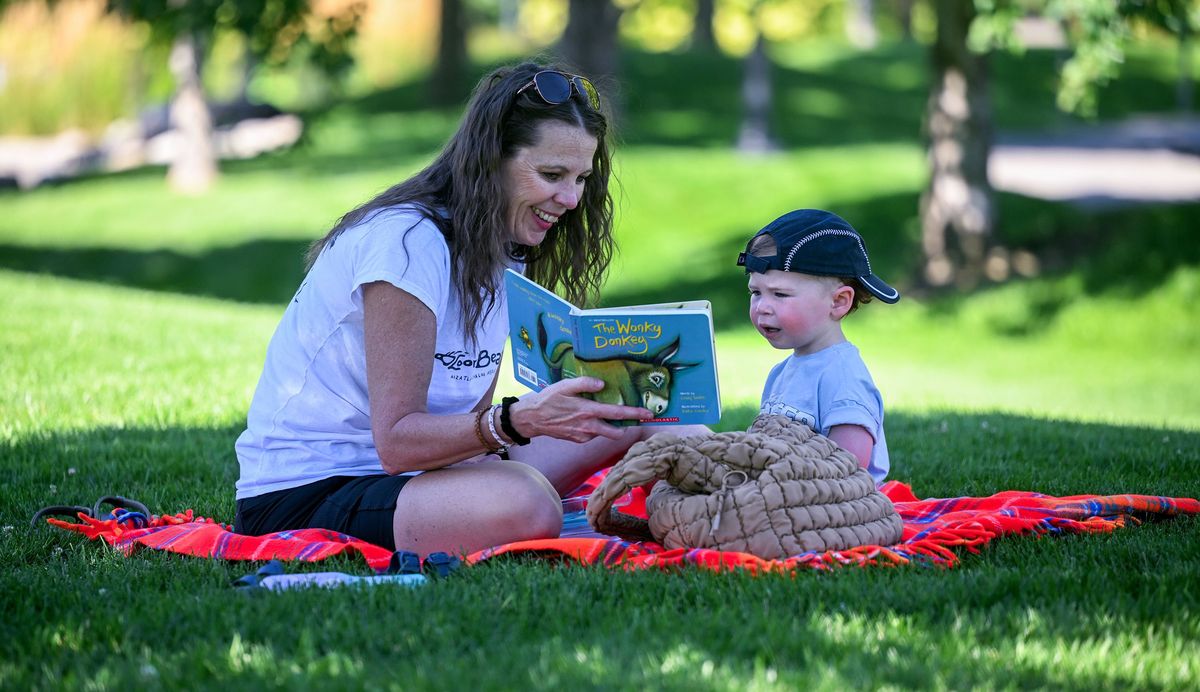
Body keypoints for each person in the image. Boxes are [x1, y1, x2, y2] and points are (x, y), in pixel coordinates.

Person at [233, 62, 664, 557]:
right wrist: (519, 421)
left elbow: (469, 424)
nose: (570, 199)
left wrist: (555, 413)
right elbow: (397, 444)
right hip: (310, 492)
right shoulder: (406, 242)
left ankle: (732, 515)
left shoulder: (504, 247)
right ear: (490, 160)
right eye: (551, 174)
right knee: (527, 504)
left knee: (651, 418)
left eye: (582, 178)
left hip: (423, 478)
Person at [736, 208, 900, 486]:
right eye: (756, 292)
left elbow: (848, 469)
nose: (762, 307)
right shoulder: (782, 373)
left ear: (838, 302)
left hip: (838, 509)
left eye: (780, 294)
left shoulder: (843, 378)